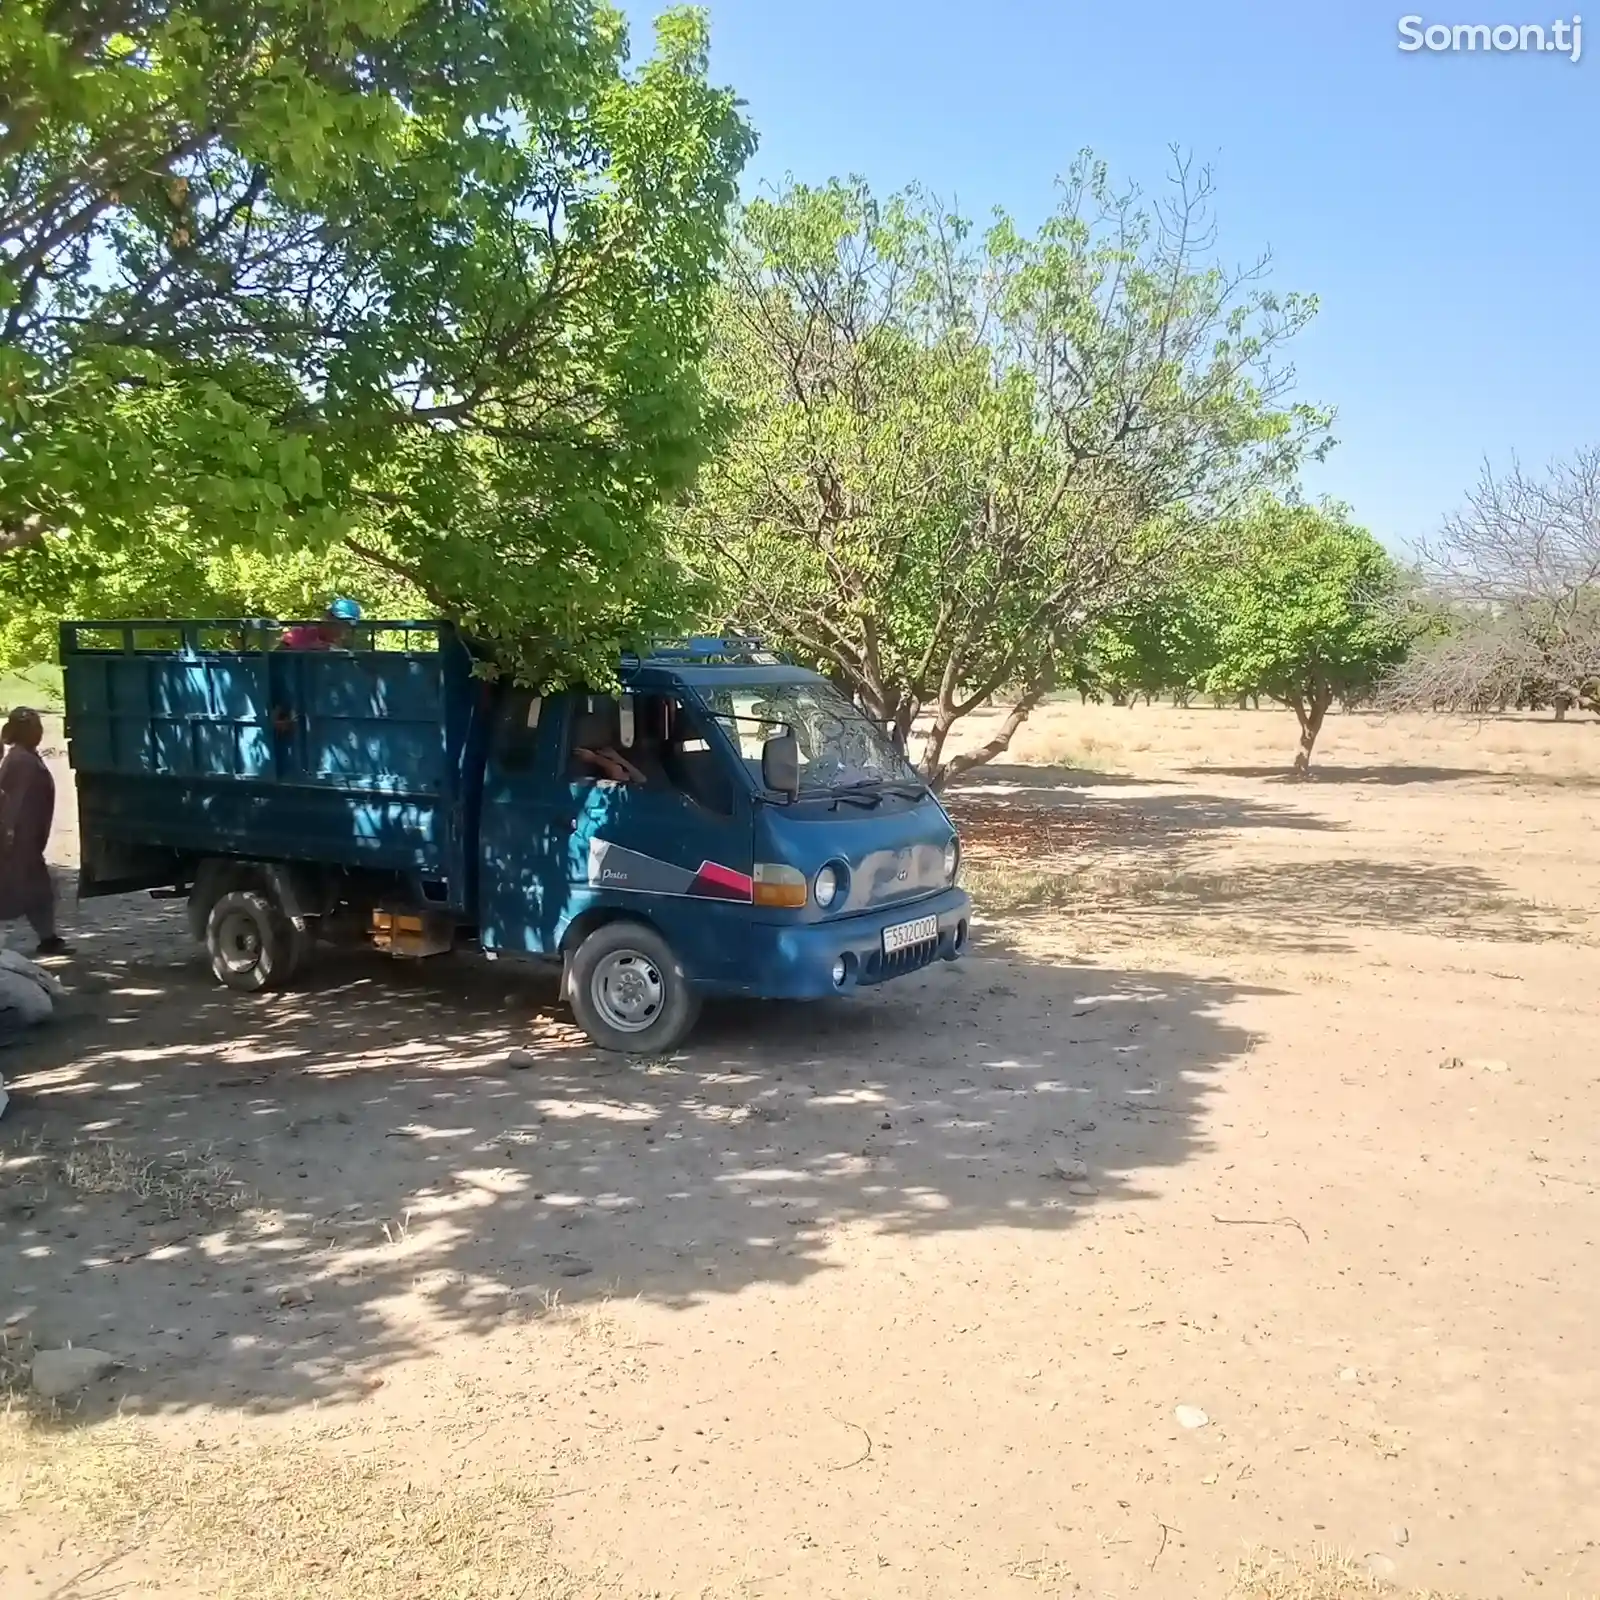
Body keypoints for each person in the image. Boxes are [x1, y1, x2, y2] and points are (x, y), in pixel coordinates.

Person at [0, 707, 68, 956]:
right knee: (34, 890)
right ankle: (48, 938)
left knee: (34, 890)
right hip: (20, 840)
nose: (39, 732)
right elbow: (13, 801)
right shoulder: (21, 761)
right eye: (35, 728)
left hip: (25, 839)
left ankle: (48, 938)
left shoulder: (24, 757)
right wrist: (11, 837)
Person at [280, 596, 362, 651]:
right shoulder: (300, 632)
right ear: (327, 617)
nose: (342, 629)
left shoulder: (346, 642)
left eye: (347, 625)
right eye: (338, 623)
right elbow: (277, 659)